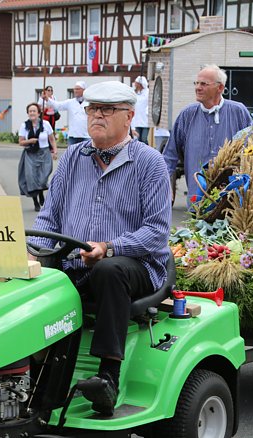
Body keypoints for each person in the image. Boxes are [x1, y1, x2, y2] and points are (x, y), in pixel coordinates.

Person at [29, 81, 171, 416]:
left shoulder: (149, 163)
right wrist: (34, 253)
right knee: (35, 279)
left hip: (136, 265)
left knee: (110, 269)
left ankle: (108, 377)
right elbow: (49, 216)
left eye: (107, 110)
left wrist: (109, 247)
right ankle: (34, 381)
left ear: (129, 117)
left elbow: (156, 233)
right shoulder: (73, 157)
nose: (97, 116)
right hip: (76, 264)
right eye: (92, 108)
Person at [166, 64, 252, 197]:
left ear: (220, 88)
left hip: (231, 198)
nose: (198, 88)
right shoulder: (187, 115)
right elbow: (169, 155)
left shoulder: (238, 112)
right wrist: (163, 184)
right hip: (196, 198)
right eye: (196, 83)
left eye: (204, 84)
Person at [18, 102, 58, 211]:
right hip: (30, 154)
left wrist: (54, 150)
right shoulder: (24, 126)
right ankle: (35, 202)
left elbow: (51, 139)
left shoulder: (45, 124)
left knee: (43, 177)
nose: (32, 113)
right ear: (28, 113)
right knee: (32, 179)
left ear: (38, 113)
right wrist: (29, 141)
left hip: (44, 153)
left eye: (34, 111)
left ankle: (40, 193)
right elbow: (20, 142)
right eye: (30, 111)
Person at [41, 81, 89, 145]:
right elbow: (57, 105)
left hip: (86, 135)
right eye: (74, 89)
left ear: (84, 90)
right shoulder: (70, 102)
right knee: (71, 154)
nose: (75, 91)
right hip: (73, 135)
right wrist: (47, 99)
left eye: (78, 89)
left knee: (86, 154)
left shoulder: (89, 103)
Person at [131, 76, 150, 144]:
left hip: (146, 120)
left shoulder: (148, 93)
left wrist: (147, 112)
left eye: (136, 83)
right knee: (138, 140)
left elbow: (150, 104)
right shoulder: (135, 93)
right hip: (137, 120)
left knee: (144, 139)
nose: (135, 85)